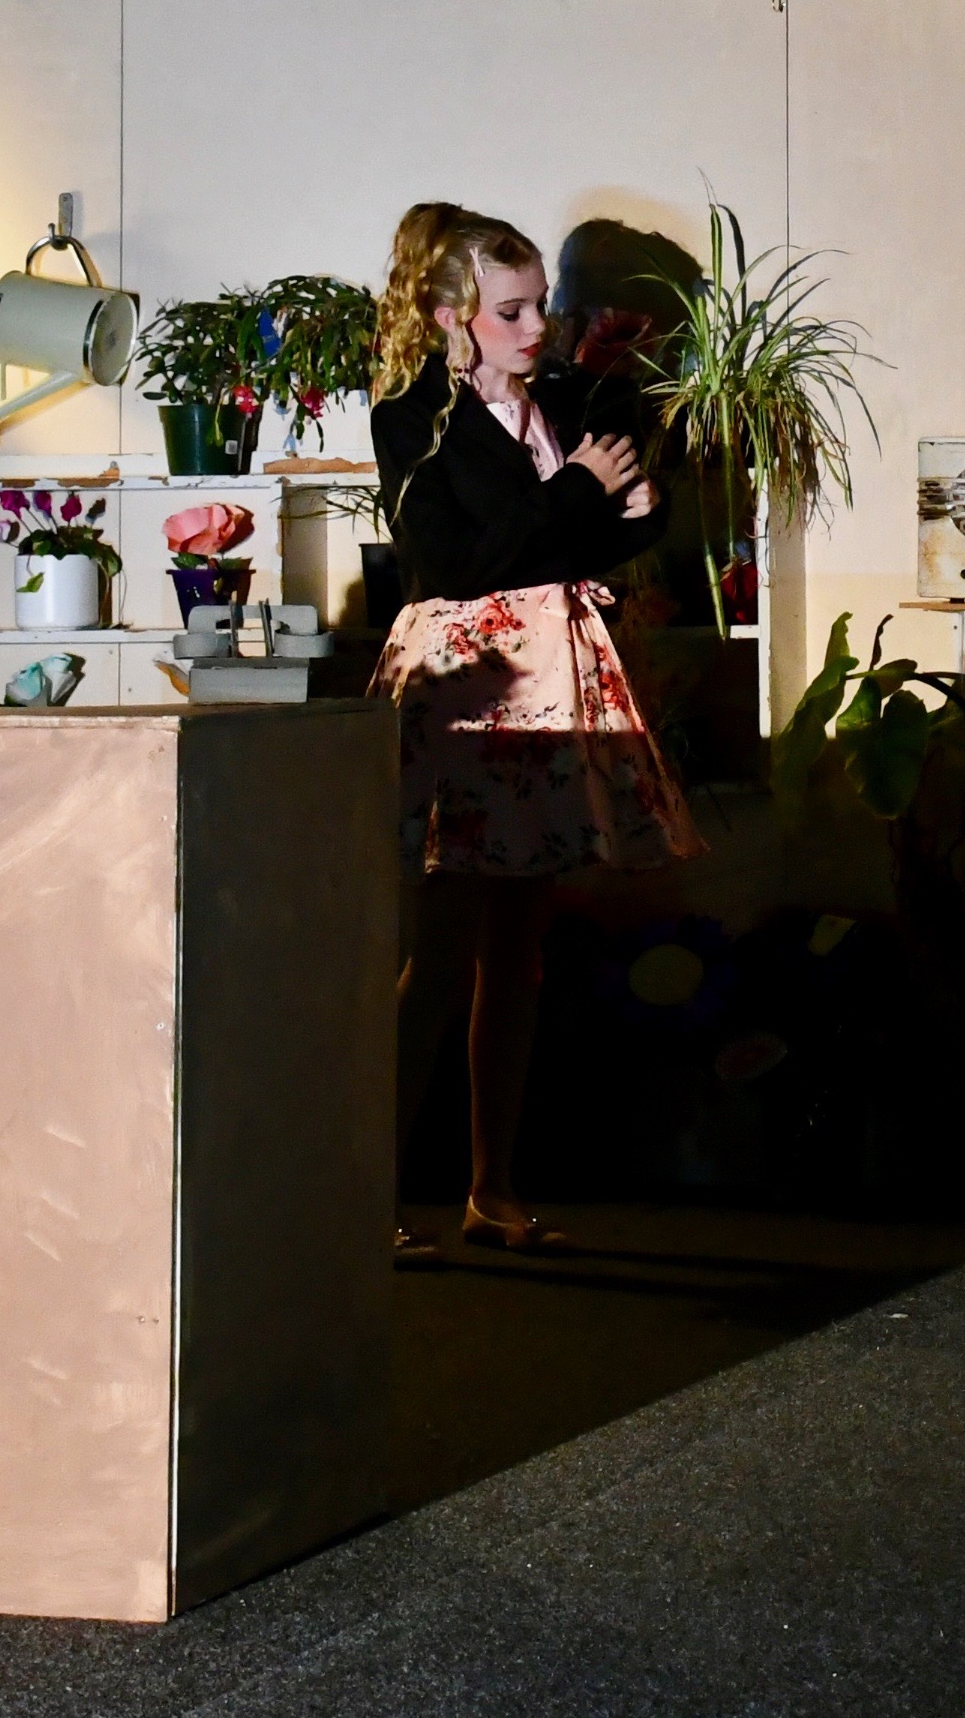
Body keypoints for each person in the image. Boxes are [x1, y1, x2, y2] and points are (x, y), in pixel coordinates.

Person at [368, 203, 705, 1256]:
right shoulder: (414, 416)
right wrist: (576, 493)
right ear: (450, 316)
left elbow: (582, 539)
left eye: (539, 306)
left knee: (518, 952)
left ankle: (494, 1190)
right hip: (470, 690)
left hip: (552, 678)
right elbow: (458, 564)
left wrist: (630, 505)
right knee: (440, 950)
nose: (534, 328)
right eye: (510, 311)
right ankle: (364, 1196)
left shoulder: (560, 400)